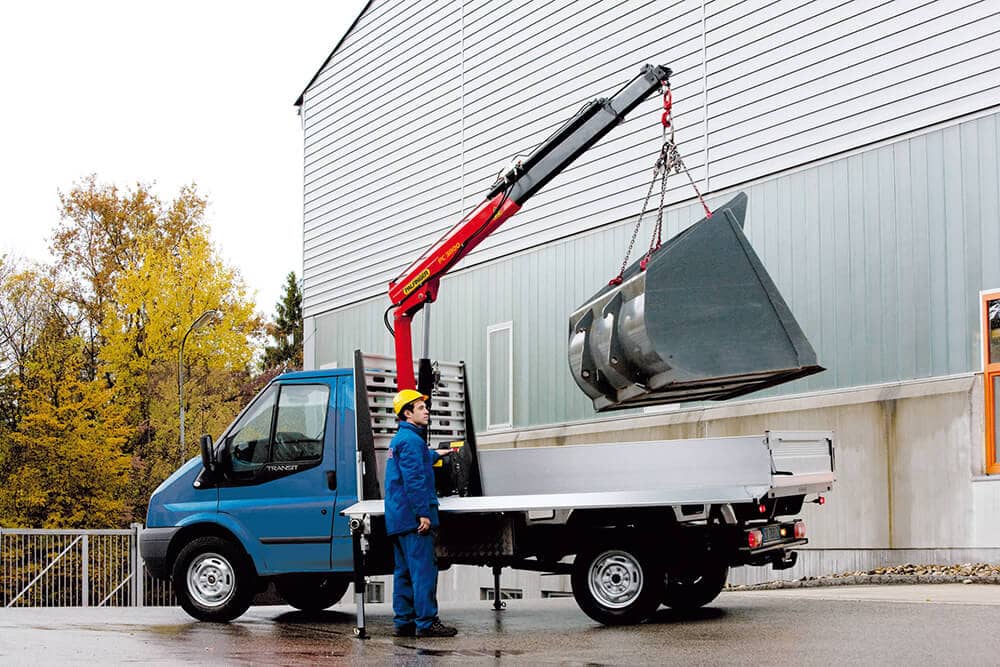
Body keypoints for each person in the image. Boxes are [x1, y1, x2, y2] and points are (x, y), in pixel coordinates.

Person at [384, 388, 458, 638]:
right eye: (420, 407)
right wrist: (423, 514)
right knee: (423, 570)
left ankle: (403, 622)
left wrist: (440, 453)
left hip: (398, 518)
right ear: (407, 413)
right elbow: (414, 480)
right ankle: (427, 623)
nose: (426, 411)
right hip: (413, 518)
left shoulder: (402, 440)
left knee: (403, 572)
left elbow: (420, 458)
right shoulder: (411, 441)